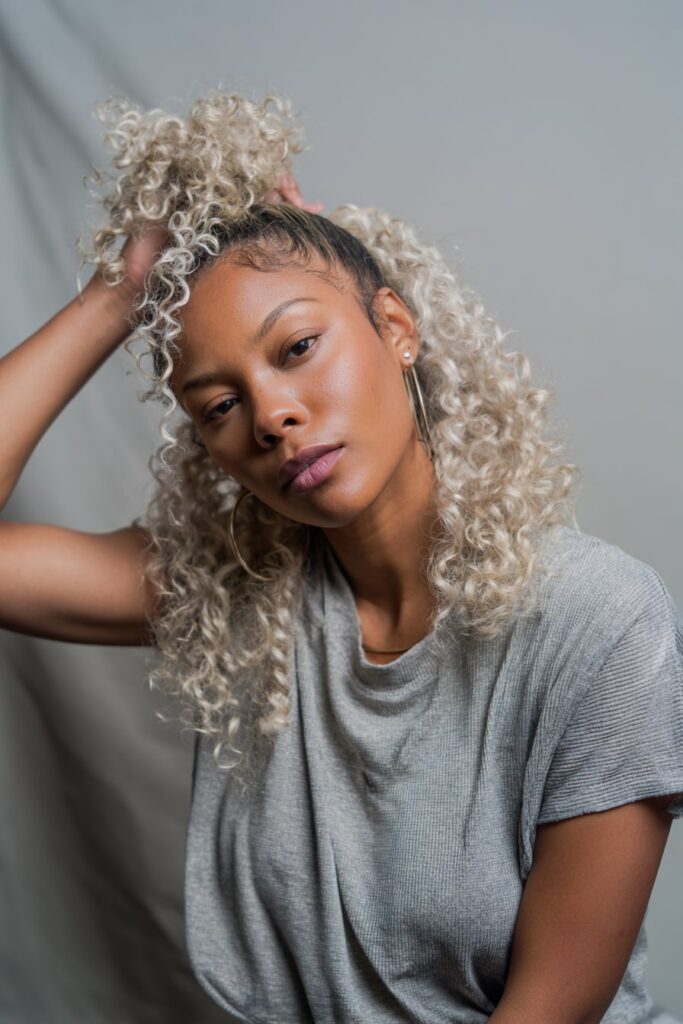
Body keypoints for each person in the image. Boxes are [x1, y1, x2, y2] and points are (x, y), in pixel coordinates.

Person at [1, 89, 682, 1024]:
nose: (272, 413)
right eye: (218, 406)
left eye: (299, 346)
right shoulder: (238, 593)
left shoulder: (600, 621)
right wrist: (117, 297)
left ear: (396, 329)